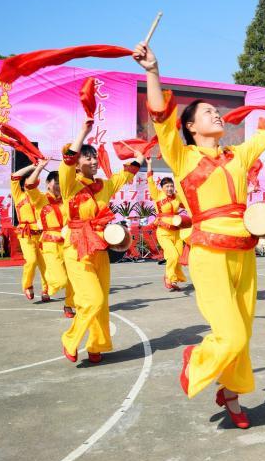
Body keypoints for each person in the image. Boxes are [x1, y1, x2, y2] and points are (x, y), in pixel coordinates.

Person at [136, 41, 265, 429]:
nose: (217, 114)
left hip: (244, 252)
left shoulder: (238, 155)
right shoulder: (182, 156)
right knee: (227, 334)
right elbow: (161, 116)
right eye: (208, 112)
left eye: (217, 111)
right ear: (191, 127)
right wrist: (153, 71)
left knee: (242, 332)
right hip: (208, 252)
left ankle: (231, 391)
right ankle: (197, 360)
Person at [60, 121, 143, 365]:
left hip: (99, 248)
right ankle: (71, 338)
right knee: (92, 299)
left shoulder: (103, 186)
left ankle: (96, 344)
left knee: (102, 301)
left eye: (95, 157)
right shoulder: (70, 186)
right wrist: (83, 134)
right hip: (76, 247)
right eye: (87, 158)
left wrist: (138, 158)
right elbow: (67, 161)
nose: (94, 161)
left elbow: (125, 175)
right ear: (77, 163)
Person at [25, 161, 75, 318]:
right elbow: (30, 184)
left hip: (68, 241)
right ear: (48, 184)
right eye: (57, 183)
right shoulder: (40, 199)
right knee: (61, 280)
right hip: (49, 244)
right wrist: (39, 167)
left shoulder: (67, 199)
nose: (60, 186)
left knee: (73, 276)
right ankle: (47, 287)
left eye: (62, 183)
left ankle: (69, 305)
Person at [146, 158, 188, 290]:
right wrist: (149, 165)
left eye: (171, 186)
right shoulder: (157, 195)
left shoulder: (177, 197)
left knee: (179, 257)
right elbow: (150, 181)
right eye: (167, 186)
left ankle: (174, 279)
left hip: (177, 232)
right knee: (173, 255)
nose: (170, 188)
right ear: (162, 188)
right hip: (163, 232)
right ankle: (169, 278)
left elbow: (187, 203)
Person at [10, 163, 49, 300]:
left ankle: (46, 290)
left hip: (41, 233)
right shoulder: (18, 195)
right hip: (25, 234)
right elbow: (14, 177)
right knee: (31, 261)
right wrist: (33, 167)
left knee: (46, 263)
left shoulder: (41, 196)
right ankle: (28, 285)